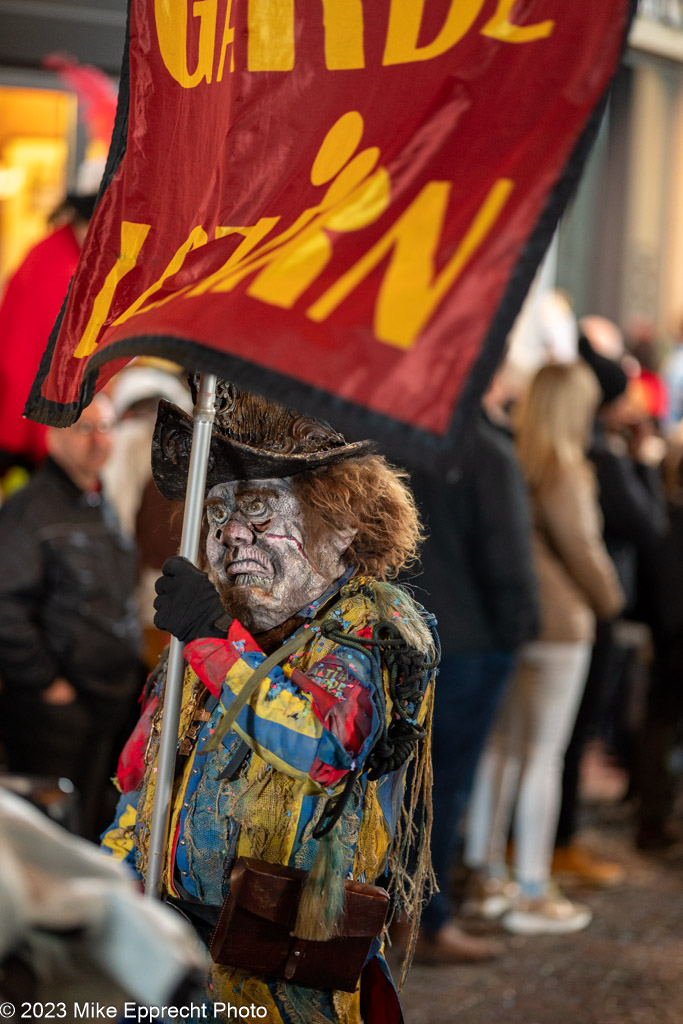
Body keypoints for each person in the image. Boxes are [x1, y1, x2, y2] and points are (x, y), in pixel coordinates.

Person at [102, 381, 438, 1024]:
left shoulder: (372, 629)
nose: (230, 536)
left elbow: (324, 746)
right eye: (219, 514)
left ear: (342, 525)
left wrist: (211, 640)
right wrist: (113, 895)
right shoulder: (214, 636)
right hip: (175, 954)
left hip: (284, 964)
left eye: (257, 509)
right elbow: (138, 783)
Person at [464, 362, 624, 935]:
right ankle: (532, 888)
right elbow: (583, 548)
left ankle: (487, 878)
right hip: (560, 625)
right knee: (544, 756)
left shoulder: (513, 457)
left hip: (511, 620)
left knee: (499, 751)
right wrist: (611, 600)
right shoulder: (567, 469)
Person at [408, 402, 539, 964]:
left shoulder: (386, 434)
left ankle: (390, 918)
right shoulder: (486, 451)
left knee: (398, 788)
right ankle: (429, 925)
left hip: (396, 636)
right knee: (442, 791)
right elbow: (508, 560)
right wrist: (518, 633)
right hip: (468, 645)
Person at [0, 394, 145, 840]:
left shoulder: (98, 502)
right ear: (54, 436)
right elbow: (5, 608)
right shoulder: (28, 510)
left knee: (94, 824)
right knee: (50, 836)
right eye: (85, 429)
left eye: (106, 427)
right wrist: (47, 683)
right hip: (56, 713)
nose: (98, 440)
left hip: (109, 702)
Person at [552, 333, 668, 882]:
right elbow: (648, 527)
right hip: (585, 614)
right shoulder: (596, 455)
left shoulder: (572, 452)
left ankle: (549, 844)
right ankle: (558, 843)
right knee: (570, 737)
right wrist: (644, 461)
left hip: (575, 613)